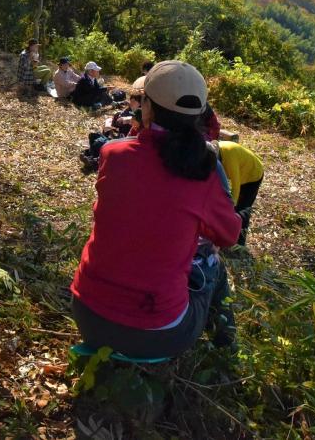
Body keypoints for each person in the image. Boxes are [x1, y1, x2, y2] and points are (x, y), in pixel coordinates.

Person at [71, 60, 241, 358]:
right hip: (158, 334)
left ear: (145, 106)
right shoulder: (205, 170)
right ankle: (226, 350)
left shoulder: (114, 154)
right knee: (214, 265)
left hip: (87, 315)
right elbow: (229, 236)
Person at [216, 141, 265, 245]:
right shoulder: (218, 151)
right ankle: (230, 236)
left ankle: (240, 242)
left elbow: (236, 186)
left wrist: (231, 208)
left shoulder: (229, 156)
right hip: (243, 173)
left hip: (253, 175)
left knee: (243, 209)